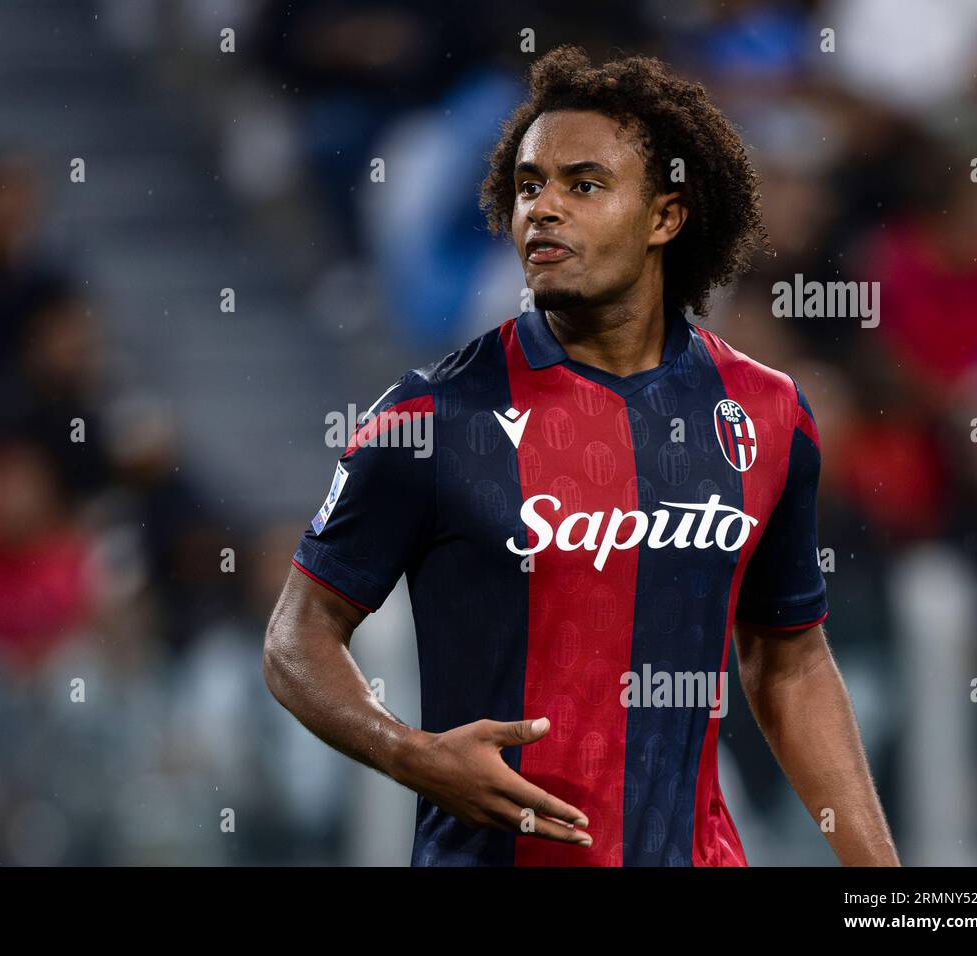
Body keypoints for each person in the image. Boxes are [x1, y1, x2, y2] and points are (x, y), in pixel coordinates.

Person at [263, 47, 899, 867]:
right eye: (529, 187)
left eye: (583, 184)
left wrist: (886, 885)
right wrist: (407, 752)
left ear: (665, 218)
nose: (543, 210)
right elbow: (297, 637)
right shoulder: (433, 418)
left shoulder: (769, 415)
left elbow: (789, 661)